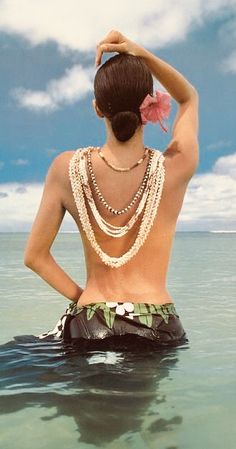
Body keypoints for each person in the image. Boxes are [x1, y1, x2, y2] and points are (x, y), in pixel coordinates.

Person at [24, 30, 199, 348]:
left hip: (93, 324)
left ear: (97, 108)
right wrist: (139, 52)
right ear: (149, 107)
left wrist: (90, 301)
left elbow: (35, 256)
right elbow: (188, 97)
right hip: (158, 328)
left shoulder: (68, 168)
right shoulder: (175, 166)